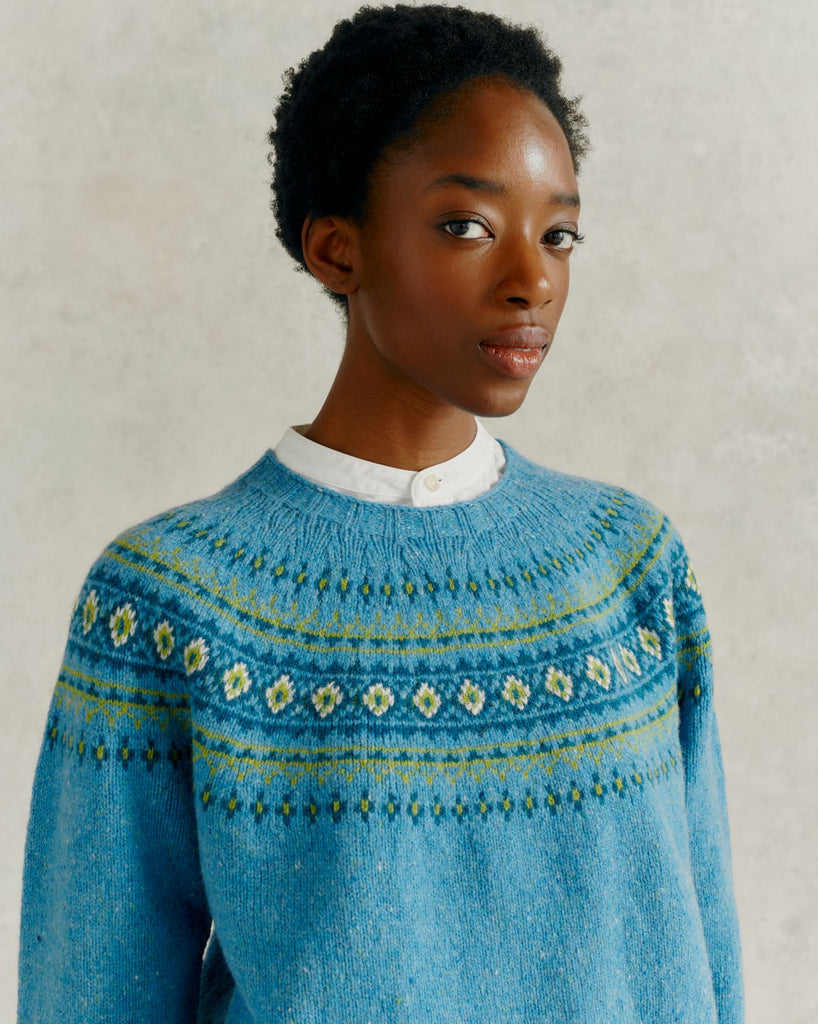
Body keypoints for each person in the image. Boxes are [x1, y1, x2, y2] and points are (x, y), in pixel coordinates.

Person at [17, 4, 745, 1022]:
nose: (530, 279)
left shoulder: (629, 566)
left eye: (558, 233)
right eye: (465, 226)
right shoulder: (172, 599)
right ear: (333, 249)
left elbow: (701, 952)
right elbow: (91, 990)